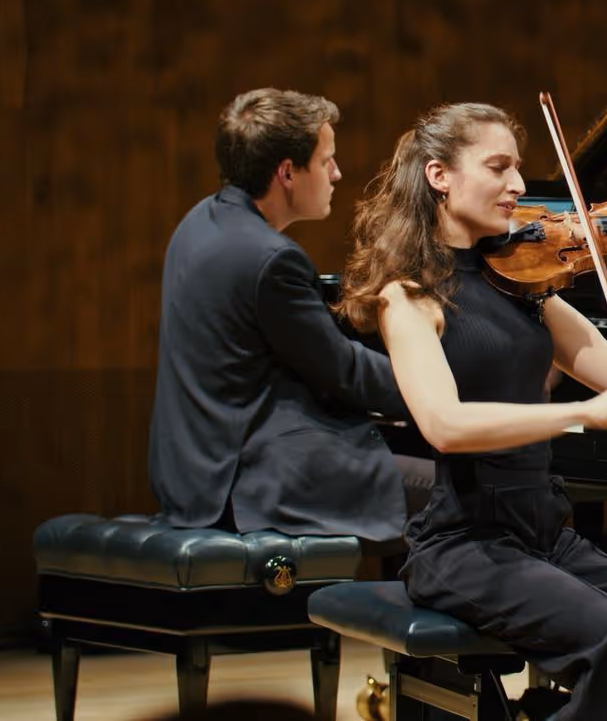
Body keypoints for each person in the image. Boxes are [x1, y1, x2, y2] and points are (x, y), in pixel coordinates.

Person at [337, 102, 607, 721]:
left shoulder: (520, 283)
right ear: (438, 176)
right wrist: (583, 414)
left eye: (518, 168)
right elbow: (445, 427)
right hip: (462, 546)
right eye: (498, 167)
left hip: (545, 535)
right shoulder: (410, 296)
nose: (518, 186)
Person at [148, 88, 429, 544]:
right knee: (466, 496)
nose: (337, 173)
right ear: (286, 173)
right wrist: (441, 387)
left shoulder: (197, 224)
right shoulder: (272, 260)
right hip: (252, 485)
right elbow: (344, 371)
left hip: (194, 476)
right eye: (326, 161)